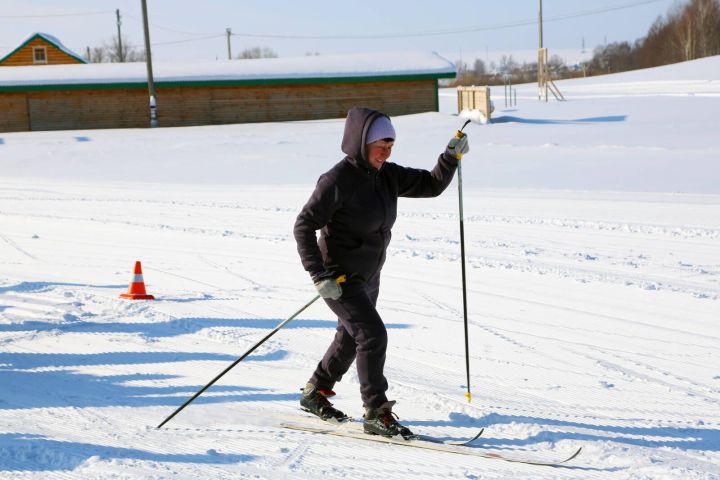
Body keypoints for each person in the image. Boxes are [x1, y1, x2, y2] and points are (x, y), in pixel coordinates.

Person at [293, 106, 469, 439]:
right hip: (339, 278)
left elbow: (430, 185)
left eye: (390, 144)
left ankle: (315, 392)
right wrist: (319, 275)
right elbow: (304, 225)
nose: (386, 151)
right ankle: (376, 411)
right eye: (380, 145)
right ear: (361, 142)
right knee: (372, 336)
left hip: (368, 276)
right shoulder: (336, 180)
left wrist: (449, 158)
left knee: (350, 338)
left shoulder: (387, 175)